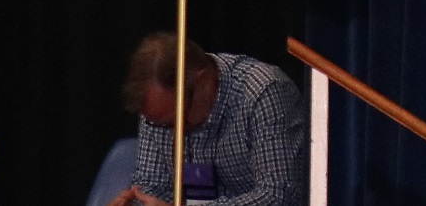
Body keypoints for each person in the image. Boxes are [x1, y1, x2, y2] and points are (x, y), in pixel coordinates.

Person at [107, 32, 306, 206]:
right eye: (162, 125)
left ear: (202, 81)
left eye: (176, 121)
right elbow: (152, 186)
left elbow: (280, 196)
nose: (174, 132)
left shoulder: (263, 92)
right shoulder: (160, 111)